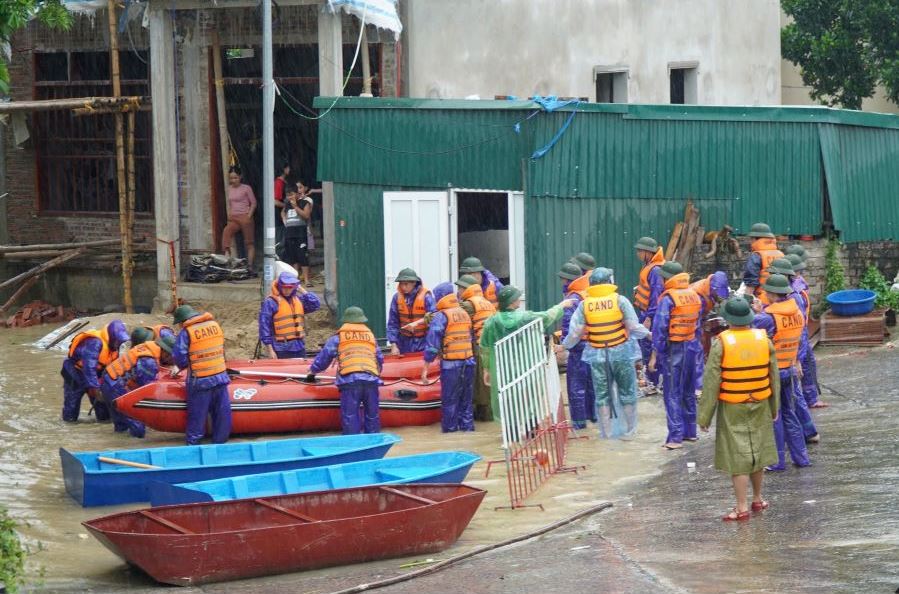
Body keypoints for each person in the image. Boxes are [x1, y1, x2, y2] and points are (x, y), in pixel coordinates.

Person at [698, 297, 780, 522]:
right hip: (761, 402)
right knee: (758, 451)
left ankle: (741, 507)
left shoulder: (722, 342)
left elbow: (711, 381)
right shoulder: (763, 339)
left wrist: (704, 416)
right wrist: (775, 407)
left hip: (733, 405)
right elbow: (773, 376)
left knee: (738, 456)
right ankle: (758, 499)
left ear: (728, 319)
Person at [562, 268, 650, 439]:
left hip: (597, 356)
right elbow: (633, 326)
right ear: (609, 282)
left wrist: (564, 346)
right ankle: (630, 431)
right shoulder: (620, 300)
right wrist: (649, 334)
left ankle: (607, 433)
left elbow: (575, 333)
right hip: (621, 353)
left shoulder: (584, 305)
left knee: (602, 395)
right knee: (627, 392)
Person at [480, 285, 571, 421]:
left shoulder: (491, 322)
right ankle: (529, 424)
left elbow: (485, 348)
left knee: (509, 401)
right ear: (512, 301)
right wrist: (561, 305)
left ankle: (512, 427)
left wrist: (486, 369)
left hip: (504, 370)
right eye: (517, 297)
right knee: (528, 399)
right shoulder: (526, 317)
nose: (519, 299)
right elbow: (547, 316)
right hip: (526, 367)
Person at [751, 274, 811, 471]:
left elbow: (748, 324)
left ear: (772, 294)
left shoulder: (768, 317)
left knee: (774, 416)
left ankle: (776, 462)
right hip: (790, 369)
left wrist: (756, 310)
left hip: (774, 373)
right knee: (790, 414)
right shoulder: (797, 312)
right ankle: (801, 458)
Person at [765, 257, 820, 443]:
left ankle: (809, 433)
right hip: (790, 356)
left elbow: (800, 332)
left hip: (789, 358)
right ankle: (806, 433)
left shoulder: (793, 298)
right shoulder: (790, 296)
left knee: (794, 398)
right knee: (794, 398)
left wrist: (798, 360)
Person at [650, 262, 703, 449]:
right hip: (691, 347)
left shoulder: (668, 299)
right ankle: (690, 432)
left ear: (667, 278)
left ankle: (675, 438)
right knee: (688, 391)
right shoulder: (694, 294)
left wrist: (655, 355)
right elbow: (698, 324)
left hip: (675, 349)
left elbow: (660, 328)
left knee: (672, 393)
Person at [308, 306, 383, 434]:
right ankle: (373, 440)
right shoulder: (371, 337)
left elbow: (325, 357)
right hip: (371, 379)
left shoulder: (338, 338)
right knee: (372, 414)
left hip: (350, 380)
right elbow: (379, 359)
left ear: (346, 321)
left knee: (350, 415)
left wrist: (312, 372)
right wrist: (376, 374)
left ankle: (352, 442)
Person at [171, 305, 232, 445]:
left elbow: (180, 357)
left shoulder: (187, 332)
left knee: (197, 415)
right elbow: (221, 348)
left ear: (182, 321)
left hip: (200, 380)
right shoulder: (214, 325)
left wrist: (181, 366)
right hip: (220, 376)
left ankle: (193, 445)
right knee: (222, 413)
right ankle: (220, 443)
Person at [421, 283, 476, 432]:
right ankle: (468, 430)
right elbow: (470, 338)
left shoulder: (441, 316)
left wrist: (425, 368)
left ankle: (450, 433)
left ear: (440, 297)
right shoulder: (464, 314)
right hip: (469, 362)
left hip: (451, 365)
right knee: (466, 401)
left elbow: (432, 344)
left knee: (450, 402)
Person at [100, 331, 175, 438]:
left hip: (108, 380)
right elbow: (146, 390)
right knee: (137, 424)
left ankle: (120, 443)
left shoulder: (148, 348)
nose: (173, 362)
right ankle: (136, 443)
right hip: (116, 386)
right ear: (166, 353)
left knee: (122, 424)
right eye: (173, 358)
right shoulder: (149, 361)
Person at [61, 320, 130, 423]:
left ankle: (103, 422)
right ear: (112, 337)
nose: (119, 343)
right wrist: (95, 388)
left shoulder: (114, 347)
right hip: (75, 373)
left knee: (103, 411)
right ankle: (68, 424)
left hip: (95, 375)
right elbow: (89, 367)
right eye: (117, 341)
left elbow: (113, 368)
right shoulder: (95, 342)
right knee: (71, 407)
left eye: (120, 341)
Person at [558, 262, 596, 429]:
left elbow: (569, 327)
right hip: (593, 344)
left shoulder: (572, 298)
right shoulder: (587, 293)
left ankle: (579, 423)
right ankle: (593, 417)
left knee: (576, 387)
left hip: (578, 347)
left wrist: (563, 346)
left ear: (567, 279)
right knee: (591, 384)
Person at [786, 252, 825, 409]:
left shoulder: (791, 287)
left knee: (803, 366)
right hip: (797, 333)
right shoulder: (795, 292)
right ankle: (809, 399)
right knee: (804, 365)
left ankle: (805, 399)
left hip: (793, 333)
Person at [455, 274, 496, 422]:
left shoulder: (468, 305)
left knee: (479, 387)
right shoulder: (486, 302)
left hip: (480, 348)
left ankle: (482, 419)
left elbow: (449, 314)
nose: (458, 292)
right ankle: (489, 422)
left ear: (465, 289)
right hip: (491, 348)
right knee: (487, 386)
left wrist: (426, 318)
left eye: (459, 288)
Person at [258, 272, 321, 359]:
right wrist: (270, 350)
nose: (287, 290)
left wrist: (301, 289)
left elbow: (315, 304)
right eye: (284, 287)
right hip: (280, 348)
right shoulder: (271, 302)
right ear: (279, 286)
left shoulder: (298, 300)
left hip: (299, 346)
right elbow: (264, 327)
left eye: (290, 287)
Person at [633, 237, 666, 394]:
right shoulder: (650, 267)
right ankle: (652, 380)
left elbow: (656, 296)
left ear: (648, 252)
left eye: (640, 251)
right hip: (646, 312)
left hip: (651, 315)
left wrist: (649, 317)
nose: (638, 254)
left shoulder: (655, 270)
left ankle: (654, 382)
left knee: (649, 346)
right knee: (645, 346)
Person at [387, 268, 436, 354]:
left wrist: (417, 323)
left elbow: (435, 316)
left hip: (424, 341)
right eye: (401, 284)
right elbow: (392, 323)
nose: (403, 287)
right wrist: (394, 345)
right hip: (404, 342)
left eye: (406, 284)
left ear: (414, 283)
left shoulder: (426, 297)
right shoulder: (397, 298)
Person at [221, 167, 257, 270]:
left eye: (235, 178)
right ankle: (227, 260)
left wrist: (249, 215)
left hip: (245, 216)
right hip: (234, 218)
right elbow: (229, 203)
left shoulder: (246, 188)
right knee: (226, 232)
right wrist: (229, 214)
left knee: (249, 242)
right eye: (231, 178)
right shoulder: (229, 189)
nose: (233, 180)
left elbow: (253, 203)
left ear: (240, 177)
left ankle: (250, 266)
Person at [691, 271, 731, 356]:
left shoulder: (711, 289)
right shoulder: (699, 295)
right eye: (718, 293)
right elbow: (696, 319)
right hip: (691, 316)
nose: (719, 296)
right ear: (713, 289)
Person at [742, 223, 784, 304]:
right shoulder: (781, 254)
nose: (750, 241)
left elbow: (751, 283)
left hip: (763, 300)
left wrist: (746, 302)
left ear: (755, 239)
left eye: (751, 239)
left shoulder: (757, 256)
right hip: (781, 299)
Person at [281, 185, 314, 286]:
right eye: (288, 195)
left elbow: (306, 215)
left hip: (300, 233)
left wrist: (295, 206)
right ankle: (295, 279)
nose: (289, 197)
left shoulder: (304, 203)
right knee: (292, 257)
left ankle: (307, 280)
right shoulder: (287, 205)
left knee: (302, 256)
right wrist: (285, 221)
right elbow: (282, 213)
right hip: (289, 233)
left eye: (291, 194)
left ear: (297, 194)